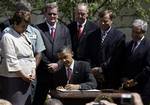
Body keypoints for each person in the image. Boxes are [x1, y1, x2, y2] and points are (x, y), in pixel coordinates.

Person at [32, 2, 71, 105]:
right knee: (38, 101)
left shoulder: (65, 29)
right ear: (45, 14)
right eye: (50, 14)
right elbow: (38, 50)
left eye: (54, 14)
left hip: (59, 73)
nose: (52, 16)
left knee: (61, 101)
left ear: (57, 14)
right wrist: (48, 64)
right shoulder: (37, 29)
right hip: (43, 72)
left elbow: (68, 49)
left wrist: (58, 64)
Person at [0, 10, 36, 105]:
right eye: (23, 26)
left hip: (27, 80)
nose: (25, 29)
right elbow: (11, 61)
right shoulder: (7, 37)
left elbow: (31, 56)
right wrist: (24, 76)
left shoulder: (25, 36)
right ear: (15, 23)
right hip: (13, 80)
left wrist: (33, 71)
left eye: (26, 26)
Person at [85, 10, 126, 89]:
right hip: (93, 77)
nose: (103, 23)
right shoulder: (91, 35)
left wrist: (101, 69)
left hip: (111, 77)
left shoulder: (119, 36)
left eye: (105, 21)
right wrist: (92, 70)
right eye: (101, 21)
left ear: (111, 21)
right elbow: (87, 54)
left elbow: (116, 57)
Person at [121, 19, 150, 105]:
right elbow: (123, 63)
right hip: (127, 88)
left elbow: (148, 68)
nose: (134, 34)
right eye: (132, 31)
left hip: (142, 89)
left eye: (137, 32)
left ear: (143, 32)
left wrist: (135, 80)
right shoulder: (128, 45)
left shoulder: (148, 46)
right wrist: (124, 77)